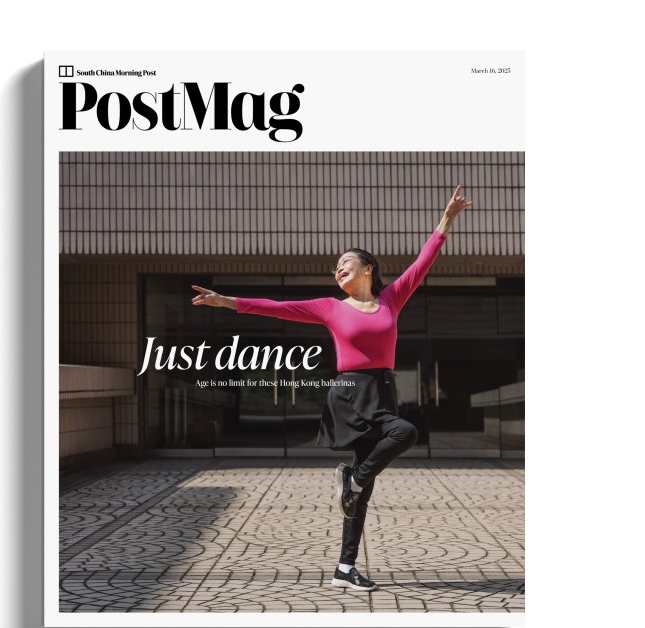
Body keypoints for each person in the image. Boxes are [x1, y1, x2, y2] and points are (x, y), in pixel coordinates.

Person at [191, 186, 472, 592]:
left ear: (368, 269)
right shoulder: (330, 307)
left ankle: (344, 566)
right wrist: (226, 302)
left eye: (345, 263)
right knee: (405, 433)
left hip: (382, 390)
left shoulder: (391, 300)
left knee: (362, 493)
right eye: (336, 267)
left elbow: (422, 263)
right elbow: (275, 307)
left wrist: (447, 221)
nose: (338, 269)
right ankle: (353, 480)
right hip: (350, 392)